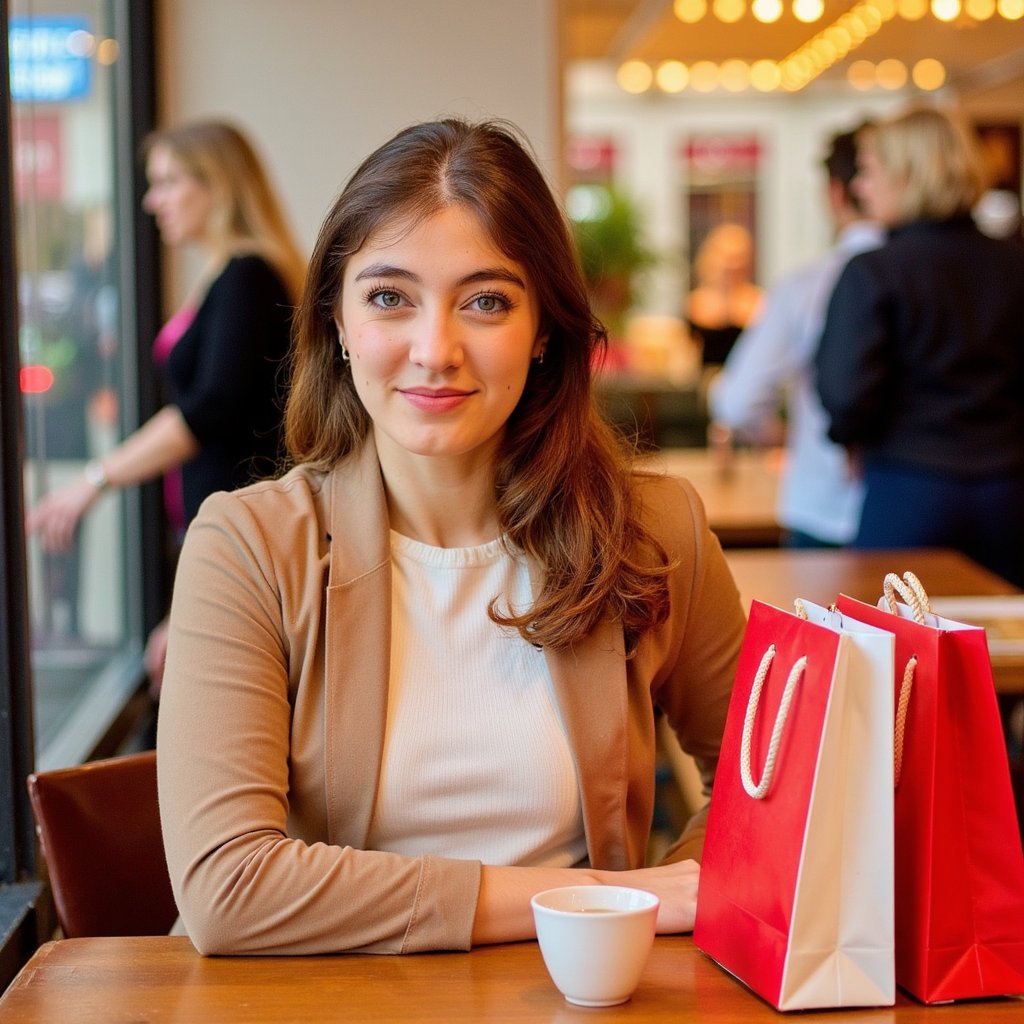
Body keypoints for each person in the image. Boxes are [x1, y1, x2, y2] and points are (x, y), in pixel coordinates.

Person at [155, 118, 746, 956]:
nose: (435, 351)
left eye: (486, 302)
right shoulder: (248, 544)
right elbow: (229, 889)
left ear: (545, 328)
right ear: (338, 321)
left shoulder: (653, 529)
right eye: (390, 297)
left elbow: (770, 788)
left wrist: (677, 894)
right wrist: (610, 897)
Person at [26, 119, 306, 690]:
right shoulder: (224, 277)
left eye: (169, 182)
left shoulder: (248, 277)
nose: (153, 202)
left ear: (218, 185)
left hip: (242, 541)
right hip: (222, 535)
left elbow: (210, 411)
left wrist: (93, 481)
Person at [816, 105, 1024, 588]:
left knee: (894, 650)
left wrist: (851, 435)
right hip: (1011, 493)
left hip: (907, 489)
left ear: (907, 174)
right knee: (1009, 655)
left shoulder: (873, 271)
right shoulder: (1016, 265)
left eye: (869, 171)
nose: (861, 187)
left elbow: (846, 395)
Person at [709, 126, 884, 548]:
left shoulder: (807, 286)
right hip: (913, 504)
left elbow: (736, 402)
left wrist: (786, 436)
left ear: (836, 194)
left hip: (821, 507)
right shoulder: (943, 282)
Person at [685, 223, 762, 369]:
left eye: (738, 258)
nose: (732, 265)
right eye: (728, 257)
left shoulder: (760, 302)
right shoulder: (695, 303)